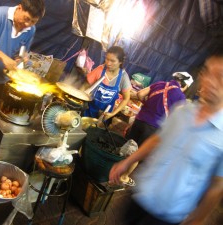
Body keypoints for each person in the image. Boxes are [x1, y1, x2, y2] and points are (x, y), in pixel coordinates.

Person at [109, 47, 223, 225]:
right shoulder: (182, 110)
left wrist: (198, 219)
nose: (209, 81)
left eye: (220, 77)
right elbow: (158, 139)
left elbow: (217, 186)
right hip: (140, 197)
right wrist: (127, 161)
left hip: (167, 216)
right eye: (206, 72)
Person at [125, 72, 193, 146]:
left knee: (126, 145)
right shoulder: (181, 96)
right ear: (185, 85)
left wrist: (146, 102)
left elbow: (140, 94)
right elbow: (177, 117)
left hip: (139, 120)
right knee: (138, 152)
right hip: (153, 128)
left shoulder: (160, 83)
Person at [83, 46, 131, 122]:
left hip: (105, 114)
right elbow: (85, 85)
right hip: (89, 109)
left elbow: (126, 99)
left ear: (120, 62)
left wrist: (113, 113)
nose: (108, 63)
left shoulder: (123, 77)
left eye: (112, 61)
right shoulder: (100, 69)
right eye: (107, 59)